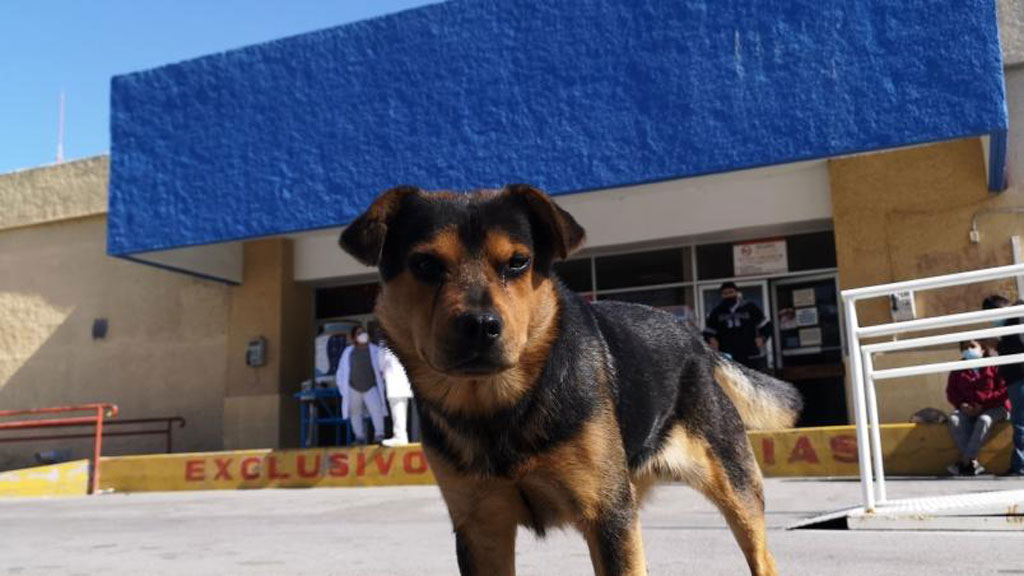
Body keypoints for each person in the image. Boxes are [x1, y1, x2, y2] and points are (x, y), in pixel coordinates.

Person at [945, 340, 1010, 476]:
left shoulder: (994, 365)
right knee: (954, 419)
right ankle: (972, 462)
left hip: (996, 407)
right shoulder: (958, 369)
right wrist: (962, 405)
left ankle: (964, 461)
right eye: (964, 348)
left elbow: (1004, 390)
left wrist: (984, 404)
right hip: (968, 408)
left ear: (983, 349)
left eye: (972, 346)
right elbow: (951, 392)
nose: (968, 350)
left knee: (984, 420)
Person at [982, 295, 1024, 476]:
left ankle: (1020, 465)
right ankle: (1018, 464)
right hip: (1016, 379)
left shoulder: (1017, 318)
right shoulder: (1011, 323)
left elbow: (1020, 346)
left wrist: (999, 345)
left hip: (1020, 378)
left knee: (1020, 423)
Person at [335, 325, 388, 445]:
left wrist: (383, 380)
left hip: (371, 386)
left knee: (377, 410)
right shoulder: (348, 352)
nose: (363, 334)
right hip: (353, 387)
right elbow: (341, 371)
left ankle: (379, 434)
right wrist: (343, 389)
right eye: (359, 333)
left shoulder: (375, 350)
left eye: (363, 332)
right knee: (355, 412)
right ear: (354, 338)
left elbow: (384, 368)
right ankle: (359, 437)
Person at [703, 281, 772, 371]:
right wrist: (711, 339)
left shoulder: (750, 308)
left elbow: (767, 325)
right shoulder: (717, 311)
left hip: (749, 352)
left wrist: (763, 338)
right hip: (727, 354)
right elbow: (708, 331)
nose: (728, 295)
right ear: (722, 295)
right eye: (725, 293)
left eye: (731, 292)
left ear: (737, 292)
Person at [379, 343, 414, 447]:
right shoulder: (402, 343)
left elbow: (380, 364)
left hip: (395, 383)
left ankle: (400, 436)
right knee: (400, 411)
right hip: (402, 383)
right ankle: (401, 436)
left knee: (397, 411)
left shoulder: (385, 346)